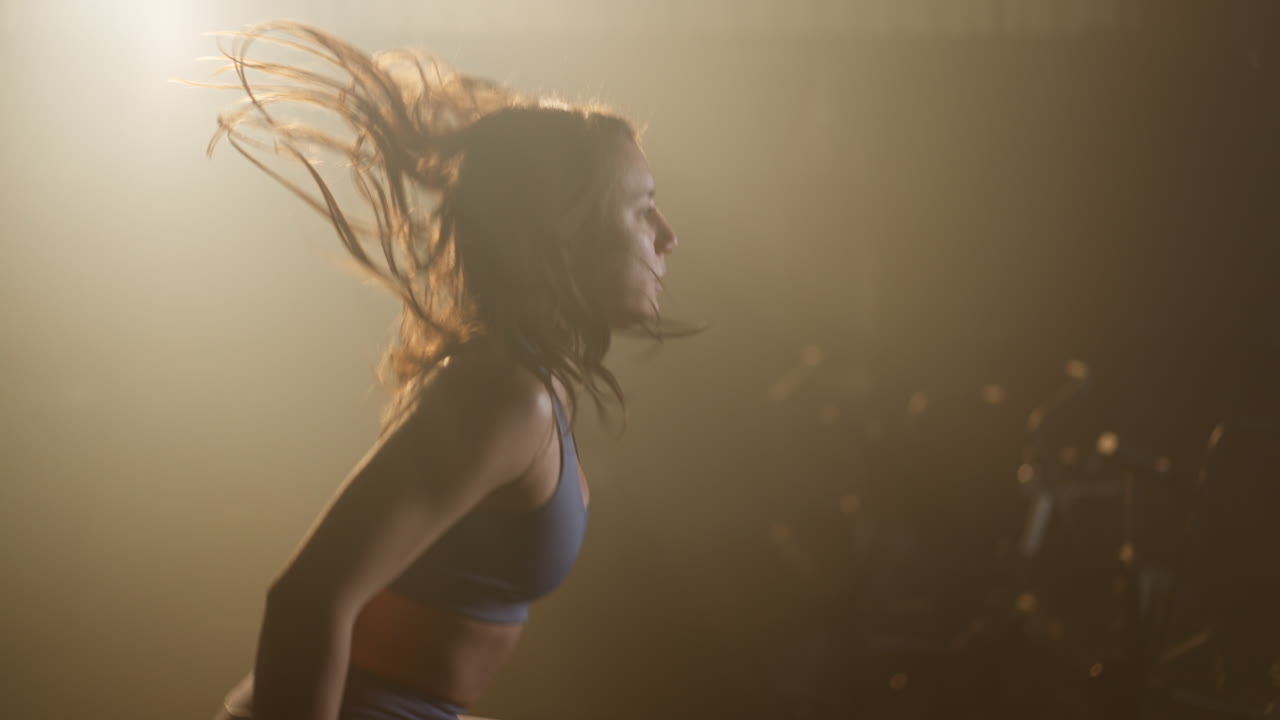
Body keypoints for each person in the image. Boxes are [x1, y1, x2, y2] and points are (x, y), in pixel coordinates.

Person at [197, 21, 681, 720]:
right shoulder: (503, 398)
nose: (669, 236)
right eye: (642, 210)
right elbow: (307, 599)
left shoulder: (532, 386)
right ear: (565, 235)